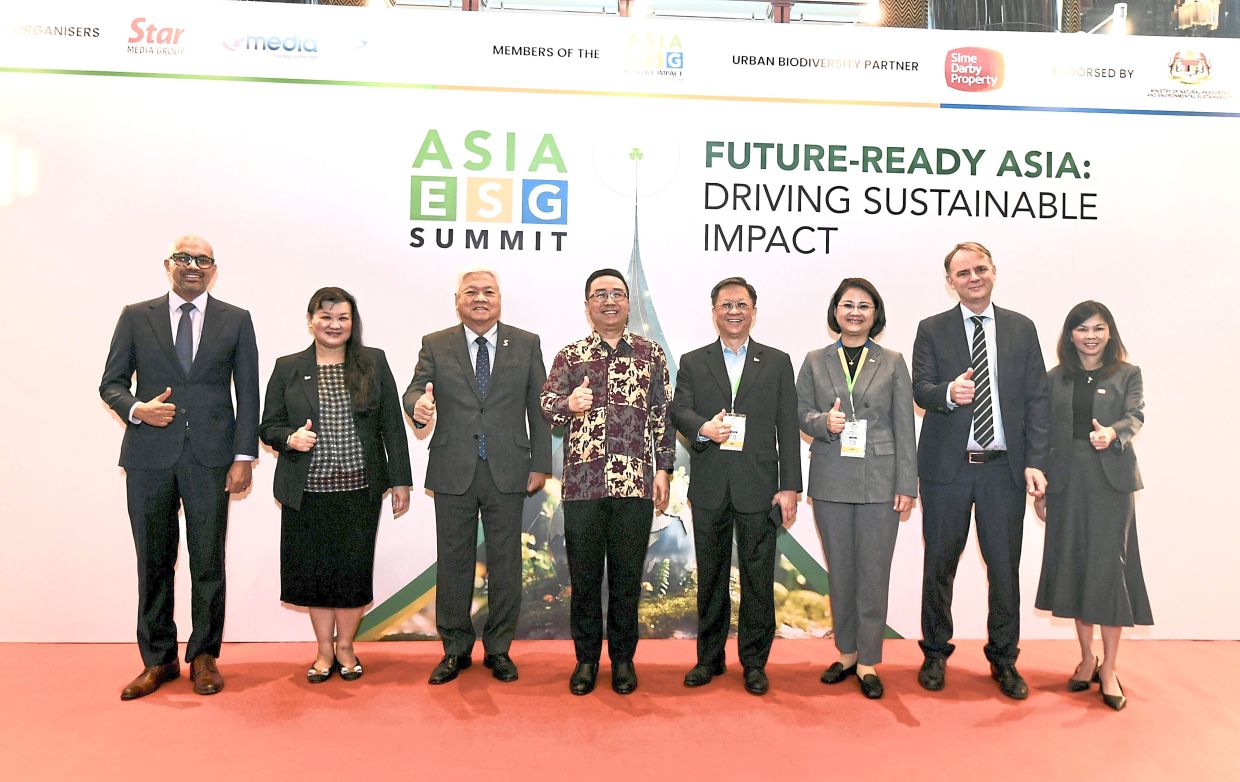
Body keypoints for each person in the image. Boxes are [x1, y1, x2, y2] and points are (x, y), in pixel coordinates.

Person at [100, 234, 259, 700]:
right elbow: (111, 383)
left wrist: (243, 457)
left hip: (212, 460)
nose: (193, 266)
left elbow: (248, 392)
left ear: (214, 269)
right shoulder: (136, 316)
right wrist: (137, 409)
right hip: (148, 457)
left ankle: (204, 656)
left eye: (203, 260)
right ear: (168, 264)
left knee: (208, 561)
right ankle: (159, 660)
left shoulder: (236, 319)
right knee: (153, 560)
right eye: (184, 258)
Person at [912, 241, 1049, 700]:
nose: (973, 277)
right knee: (939, 565)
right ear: (950, 281)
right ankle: (935, 653)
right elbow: (921, 389)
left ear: (993, 271)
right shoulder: (932, 329)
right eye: (963, 272)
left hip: (1002, 470)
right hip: (946, 471)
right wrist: (948, 394)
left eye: (980, 269)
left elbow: (1038, 400)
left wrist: (1036, 461)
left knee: (1004, 569)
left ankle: (1004, 660)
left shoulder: (1021, 328)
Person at [403, 267, 552, 685]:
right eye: (471, 292)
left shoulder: (526, 342)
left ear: (499, 299)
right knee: (454, 563)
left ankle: (499, 649)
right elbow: (415, 389)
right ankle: (455, 649)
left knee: (505, 563)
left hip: (509, 468)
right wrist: (418, 406)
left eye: (488, 291)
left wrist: (540, 463)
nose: (480, 298)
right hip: (453, 468)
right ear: (457, 301)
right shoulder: (436, 343)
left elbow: (539, 406)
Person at [260, 287, 411, 684]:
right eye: (326, 317)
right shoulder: (288, 367)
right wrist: (289, 438)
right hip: (307, 492)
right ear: (311, 320)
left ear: (352, 322)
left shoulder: (373, 362)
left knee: (351, 574)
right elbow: (268, 425)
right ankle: (324, 650)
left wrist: (401, 480)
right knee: (315, 575)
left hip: (359, 489)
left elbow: (392, 426)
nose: (334, 325)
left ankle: (346, 647)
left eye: (342, 318)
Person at [540, 268, 674, 696]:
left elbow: (663, 416)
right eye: (600, 294)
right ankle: (585, 661)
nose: (609, 301)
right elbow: (546, 405)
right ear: (588, 305)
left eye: (617, 293)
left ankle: (622, 660)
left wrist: (664, 469)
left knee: (626, 578)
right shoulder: (571, 355)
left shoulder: (650, 354)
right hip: (583, 486)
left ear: (628, 303)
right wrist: (568, 402)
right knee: (583, 579)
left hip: (634, 485)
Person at [670, 276, 800, 696]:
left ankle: (755, 663)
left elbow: (787, 426)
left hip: (759, 485)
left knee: (759, 578)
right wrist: (702, 428)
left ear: (754, 312)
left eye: (741, 304)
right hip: (710, 483)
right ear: (714, 312)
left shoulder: (777, 361)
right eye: (726, 304)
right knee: (710, 576)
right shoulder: (694, 361)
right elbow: (679, 409)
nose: (734, 311)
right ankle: (709, 658)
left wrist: (790, 486)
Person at [796, 278, 917, 700]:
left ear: (875, 314)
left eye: (864, 306)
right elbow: (799, 411)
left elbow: (905, 426)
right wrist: (821, 423)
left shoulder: (893, 361)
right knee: (841, 571)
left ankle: (868, 660)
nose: (855, 312)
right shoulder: (815, 360)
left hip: (880, 482)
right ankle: (846, 652)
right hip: (830, 479)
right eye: (847, 304)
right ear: (835, 311)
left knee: (873, 572)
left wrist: (907, 484)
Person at [1034, 301, 1151, 711]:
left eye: (1098, 328)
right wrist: (1043, 488)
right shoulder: (1054, 378)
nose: (1090, 336)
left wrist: (1113, 434)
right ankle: (1087, 658)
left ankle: (1110, 668)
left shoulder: (1127, 373)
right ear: (1070, 335)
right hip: (1066, 482)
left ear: (1110, 332)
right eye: (1082, 329)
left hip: (1110, 484)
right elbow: (1044, 433)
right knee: (1075, 567)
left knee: (1109, 571)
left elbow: (1135, 415)